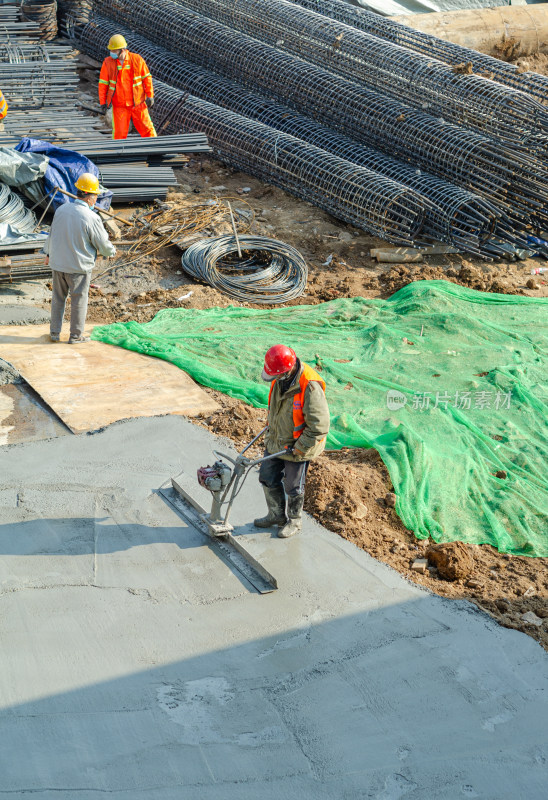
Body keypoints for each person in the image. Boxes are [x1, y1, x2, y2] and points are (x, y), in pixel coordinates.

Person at [255, 345, 330, 538]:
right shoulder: (280, 380)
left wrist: (301, 447)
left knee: (293, 486)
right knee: (267, 476)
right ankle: (276, 515)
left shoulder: (309, 386)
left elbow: (319, 426)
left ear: (286, 370)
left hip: (298, 446)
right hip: (277, 440)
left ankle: (294, 521)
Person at [44, 173, 116, 344]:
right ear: (90, 196)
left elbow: (52, 234)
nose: (96, 199)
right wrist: (111, 252)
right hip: (78, 267)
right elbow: (103, 244)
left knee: (58, 298)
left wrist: (47, 254)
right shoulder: (91, 217)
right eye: (96, 195)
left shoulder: (61, 209)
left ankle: (54, 333)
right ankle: (75, 336)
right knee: (79, 301)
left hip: (58, 264)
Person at [98, 34, 156, 140]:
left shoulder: (137, 60)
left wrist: (150, 95)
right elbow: (103, 84)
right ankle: (118, 154)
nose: (112, 53)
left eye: (114, 51)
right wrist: (103, 102)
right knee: (119, 134)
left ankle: (155, 150)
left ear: (123, 50)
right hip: (119, 106)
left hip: (138, 104)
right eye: (112, 50)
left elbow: (147, 78)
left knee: (147, 130)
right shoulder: (108, 63)